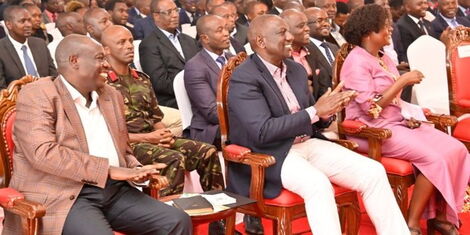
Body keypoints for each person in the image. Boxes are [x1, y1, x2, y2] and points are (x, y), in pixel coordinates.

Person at [227, 14, 410, 235]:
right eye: (281, 33)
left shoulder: (294, 69)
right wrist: (315, 111)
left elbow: (313, 118)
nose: (289, 37)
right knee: (318, 185)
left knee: (374, 171)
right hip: (271, 153)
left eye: (288, 31)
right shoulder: (244, 77)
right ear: (260, 41)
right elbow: (263, 131)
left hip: (307, 142)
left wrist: (327, 111)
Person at [2, 34, 192, 235]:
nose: (107, 65)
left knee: (176, 221)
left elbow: (123, 150)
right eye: (100, 58)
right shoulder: (38, 94)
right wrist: (107, 170)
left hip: (115, 191)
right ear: (74, 61)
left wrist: (137, 170)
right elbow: (42, 153)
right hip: (64, 195)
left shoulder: (111, 95)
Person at [341, 4, 470, 235]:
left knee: (457, 149)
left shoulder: (383, 58)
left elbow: (395, 103)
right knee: (434, 159)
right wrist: (402, 81)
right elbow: (371, 108)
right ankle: (411, 223)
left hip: (398, 123)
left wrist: (411, 114)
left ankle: (440, 217)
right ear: (369, 32)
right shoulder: (355, 61)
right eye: (385, 26)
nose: (390, 29)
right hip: (372, 129)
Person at [102, 25, 224, 197]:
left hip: (151, 139)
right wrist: (147, 138)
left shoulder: (141, 79)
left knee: (208, 151)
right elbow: (106, 134)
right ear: (105, 49)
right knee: (173, 158)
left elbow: (155, 117)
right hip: (127, 146)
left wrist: (163, 135)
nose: (129, 46)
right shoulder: (102, 84)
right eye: (121, 42)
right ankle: (170, 216)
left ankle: (217, 213)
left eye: (130, 41)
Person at [139, 0, 199, 108]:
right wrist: (195, 87)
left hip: (198, 95)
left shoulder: (189, 40)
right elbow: (160, 83)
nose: (175, 15)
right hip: (174, 101)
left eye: (176, 10)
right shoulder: (149, 45)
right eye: (169, 12)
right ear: (156, 16)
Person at [0, 5, 57, 89]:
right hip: (17, 99)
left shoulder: (40, 44)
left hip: (47, 94)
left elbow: (54, 75)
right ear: (9, 24)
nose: (28, 25)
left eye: (29, 20)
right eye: (22, 21)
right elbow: (2, 88)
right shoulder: (1, 49)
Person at [304, 7, 338, 99]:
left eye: (327, 20)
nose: (326, 24)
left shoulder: (334, 47)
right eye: (320, 21)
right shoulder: (305, 50)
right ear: (306, 26)